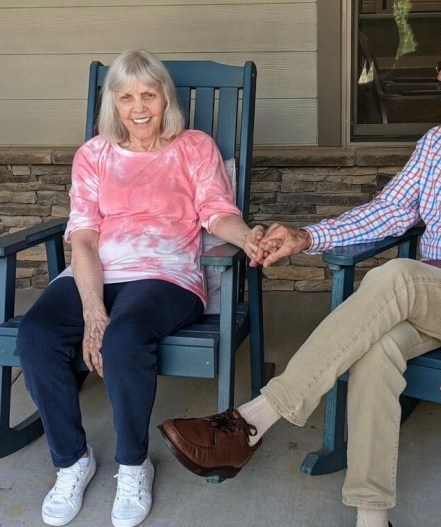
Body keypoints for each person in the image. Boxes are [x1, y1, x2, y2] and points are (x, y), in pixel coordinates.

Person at [158, 13, 441, 527]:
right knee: (377, 348)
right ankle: (372, 517)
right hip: (438, 292)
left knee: (397, 276)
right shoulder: (439, 143)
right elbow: (387, 212)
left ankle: (253, 420)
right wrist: (306, 237)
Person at [16, 49, 264, 527]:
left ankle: (133, 465)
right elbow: (84, 237)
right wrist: (92, 309)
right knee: (37, 334)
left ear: (165, 98)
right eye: (126, 97)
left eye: (148, 95)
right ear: (113, 102)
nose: (139, 107)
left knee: (125, 337)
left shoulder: (194, 147)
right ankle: (72, 461)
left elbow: (217, 212)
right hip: (99, 269)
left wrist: (247, 236)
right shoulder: (94, 155)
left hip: (166, 274)